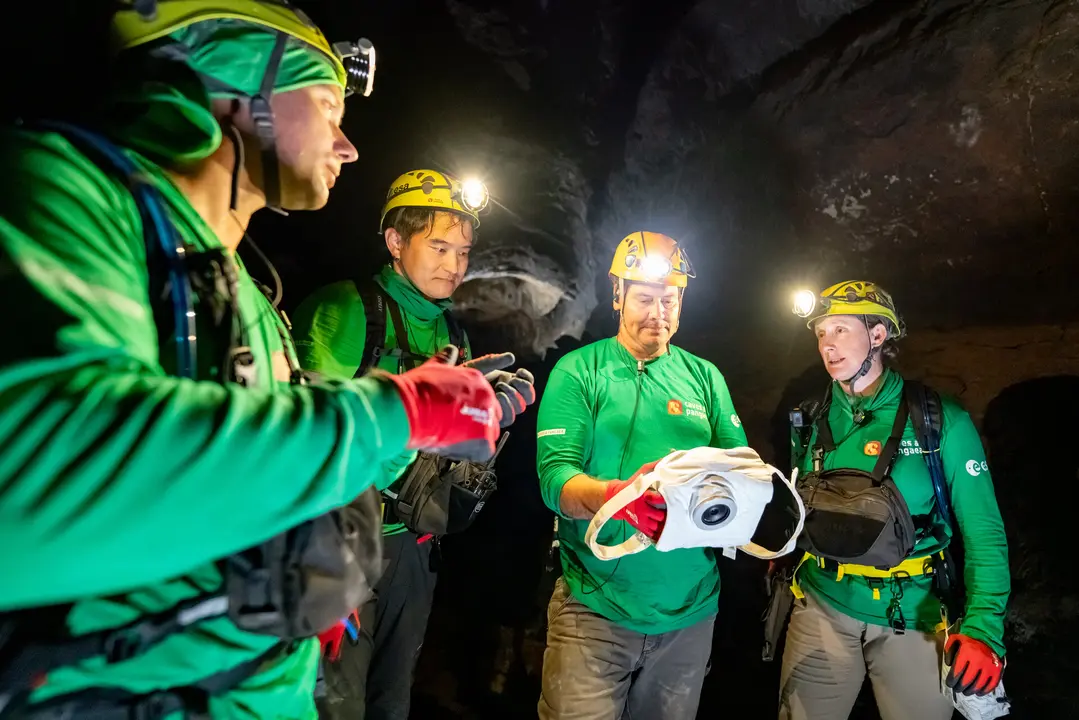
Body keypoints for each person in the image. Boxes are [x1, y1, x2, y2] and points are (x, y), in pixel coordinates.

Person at [0, 4, 502, 719]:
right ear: (240, 91)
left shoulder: (248, 294)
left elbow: (252, 473)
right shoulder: (64, 190)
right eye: (327, 104)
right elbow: (36, 472)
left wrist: (301, 575)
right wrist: (401, 409)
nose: (348, 145)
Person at [290, 168, 536, 720]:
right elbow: (309, 440)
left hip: (413, 547)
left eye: (465, 252)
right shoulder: (344, 311)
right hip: (337, 535)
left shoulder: (454, 336)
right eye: (440, 247)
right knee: (335, 702)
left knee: (392, 698)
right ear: (395, 241)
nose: (455, 265)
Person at [534, 231, 748, 720]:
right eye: (645, 298)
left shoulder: (705, 377)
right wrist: (619, 496)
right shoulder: (579, 370)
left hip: (689, 614)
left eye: (669, 300)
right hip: (596, 606)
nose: (658, 313)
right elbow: (555, 478)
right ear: (617, 295)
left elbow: (741, 467)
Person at [780, 281, 1011, 719]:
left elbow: (985, 533)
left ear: (879, 335)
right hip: (822, 603)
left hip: (914, 613)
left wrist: (984, 629)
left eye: (841, 330)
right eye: (821, 333)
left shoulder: (940, 421)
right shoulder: (808, 417)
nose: (828, 345)